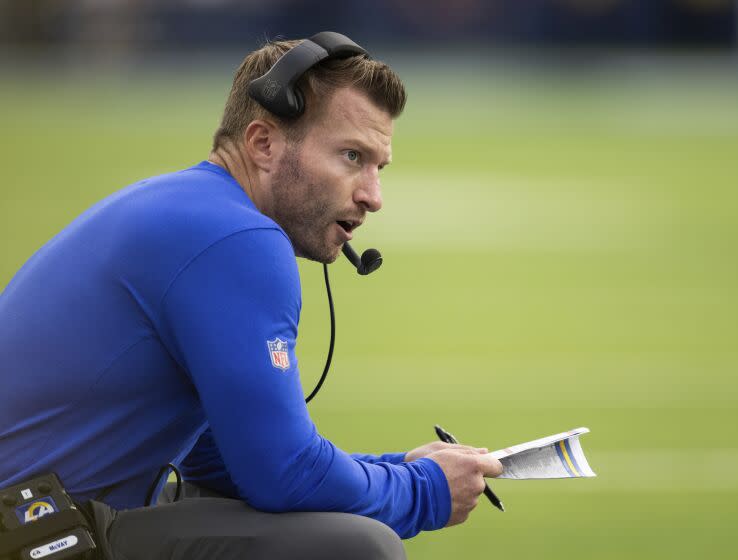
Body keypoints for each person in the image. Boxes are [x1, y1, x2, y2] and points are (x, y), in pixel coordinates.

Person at [0, 38, 503, 559]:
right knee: (356, 547)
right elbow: (282, 474)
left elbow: (220, 464)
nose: (372, 196)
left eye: (379, 167)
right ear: (263, 144)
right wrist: (423, 490)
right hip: (33, 534)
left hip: (34, 521)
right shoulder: (238, 238)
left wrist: (397, 470)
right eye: (352, 156)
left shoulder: (194, 209)